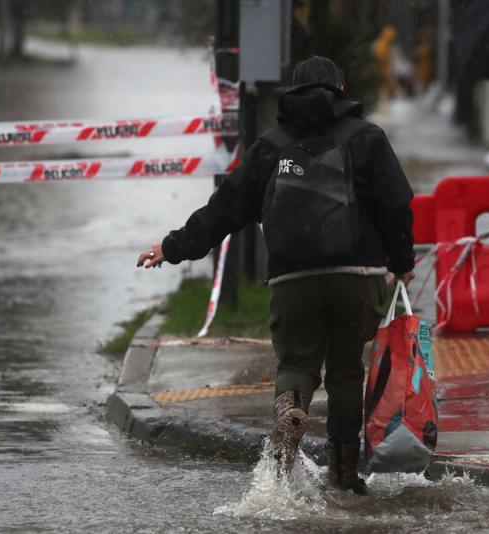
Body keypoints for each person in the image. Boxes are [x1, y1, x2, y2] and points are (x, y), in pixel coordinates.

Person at [136, 56, 415, 495]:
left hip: (292, 281)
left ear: (292, 93)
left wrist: (172, 248)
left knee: (296, 364)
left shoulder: (271, 145)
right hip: (355, 277)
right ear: (341, 91)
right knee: (345, 371)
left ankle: (290, 409)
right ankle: (344, 474)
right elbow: (396, 205)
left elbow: (224, 210)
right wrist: (401, 261)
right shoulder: (366, 138)